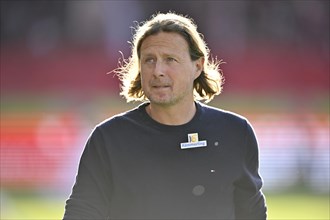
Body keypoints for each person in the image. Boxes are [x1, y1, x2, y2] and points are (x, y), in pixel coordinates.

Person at [63, 12, 267, 220]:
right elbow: (82, 212)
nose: (158, 70)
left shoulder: (235, 132)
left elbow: (253, 214)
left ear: (197, 66)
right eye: (149, 60)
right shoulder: (108, 138)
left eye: (170, 59)